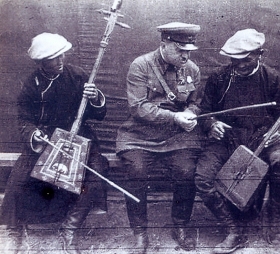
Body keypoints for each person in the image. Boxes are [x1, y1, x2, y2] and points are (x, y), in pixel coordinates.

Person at [0, 32, 108, 254]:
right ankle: (12, 230)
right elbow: (23, 119)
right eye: (55, 58)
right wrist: (34, 134)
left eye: (62, 56)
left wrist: (95, 97)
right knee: (17, 179)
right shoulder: (32, 84)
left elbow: (99, 115)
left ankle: (69, 230)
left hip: (79, 136)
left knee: (95, 174)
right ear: (41, 62)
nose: (61, 61)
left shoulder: (78, 76)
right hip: (46, 138)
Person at [116, 22, 203, 253]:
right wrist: (175, 117)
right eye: (180, 50)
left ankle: (180, 225)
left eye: (189, 51)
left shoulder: (192, 69)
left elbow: (195, 102)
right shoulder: (141, 66)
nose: (185, 56)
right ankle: (140, 233)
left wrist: (191, 114)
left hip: (177, 137)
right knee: (135, 172)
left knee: (187, 171)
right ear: (164, 44)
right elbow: (138, 108)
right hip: (139, 136)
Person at [195, 28, 280, 254]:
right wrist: (212, 124)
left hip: (262, 137)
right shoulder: (219, 78)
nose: (240, 64)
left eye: (247, 58)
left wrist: (277, 132)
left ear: (260, 54)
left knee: (277, 166)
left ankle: (273, 218)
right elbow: (205, 111)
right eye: (235, 59)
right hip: (227, 138)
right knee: (203, 178)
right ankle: (233, 230)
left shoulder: (273, 78)